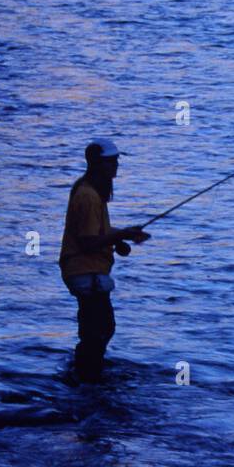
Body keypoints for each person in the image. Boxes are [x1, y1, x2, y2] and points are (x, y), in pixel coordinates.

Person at [58, 139, 149, 382]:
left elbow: (97, 232)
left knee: (97, 329)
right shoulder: (88, 196)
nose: (116, 165)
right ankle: (87, 378)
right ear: (98, 164)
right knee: (99, 329)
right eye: (111, 161)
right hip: (85, 271)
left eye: (116, 160)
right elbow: (88, 242)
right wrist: (121, 235)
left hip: (87, 271)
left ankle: (83, 375)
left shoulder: (89, 189)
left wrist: (124, 234)